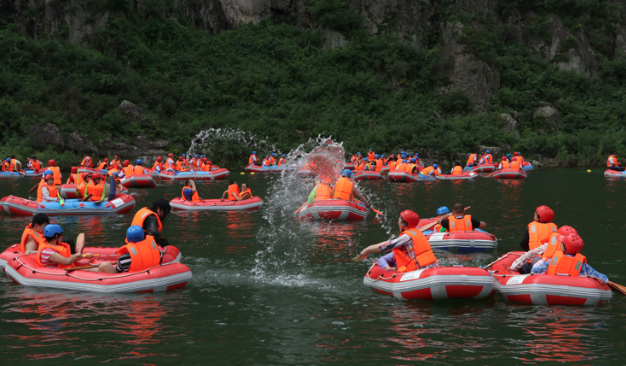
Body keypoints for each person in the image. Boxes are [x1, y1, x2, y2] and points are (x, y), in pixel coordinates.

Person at [356, 210, 439, 272]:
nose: (398, 222)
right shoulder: (417, 232)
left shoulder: (406, 236)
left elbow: (387, 245)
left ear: (404, 224)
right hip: (432, 267)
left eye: (399, 220)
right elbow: (389, 242)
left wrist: (367, 249)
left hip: (421, 271)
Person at [530, 233, 608, 283]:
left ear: (565, 247)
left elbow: (535, 271)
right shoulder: (583, 265)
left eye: (562, 243)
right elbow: (603, 278)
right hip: (574, 289)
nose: (560, 243)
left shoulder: (553, 260)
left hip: (552, 285)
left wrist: (541, 261)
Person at [512, 225, 577, 273]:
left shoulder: (547, 246)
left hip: (546, 273)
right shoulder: (576, 255)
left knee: (528, 265)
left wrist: (513, 267)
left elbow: (530, 254)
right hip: (558, 276)